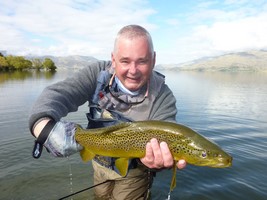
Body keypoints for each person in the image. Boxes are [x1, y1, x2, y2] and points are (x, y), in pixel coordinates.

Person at [29, 24, 186, 200]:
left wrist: (157, 164)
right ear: (113, 59)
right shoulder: (97, 74)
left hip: (135, 174)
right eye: (125, 61)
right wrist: (44, 127)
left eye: (142, 61)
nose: (133, 71)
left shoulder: (163, 98)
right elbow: (57, 95)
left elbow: (170, 135)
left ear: (153, 59)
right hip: (99, 163)